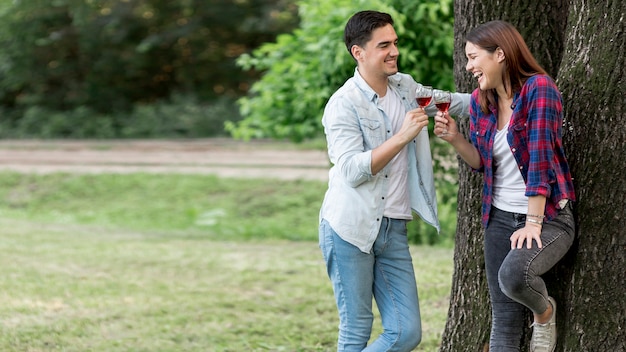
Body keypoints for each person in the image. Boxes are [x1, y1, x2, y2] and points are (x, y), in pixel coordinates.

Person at [318, 10, 469, 351]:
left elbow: (451, 103)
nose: (394, 51)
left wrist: (499, 93)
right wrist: (402, 136)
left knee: (406, 332)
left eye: (395, 43)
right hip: (350, 227)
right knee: (356, 329)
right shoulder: (343, 104)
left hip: (393, 229)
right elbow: (352, 171)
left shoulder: (405, 88)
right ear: (359, 52)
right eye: (383, 45)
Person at [434, 20, 576, 352]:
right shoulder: (479, 102)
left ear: (499, 53)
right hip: (498, 218)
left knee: (514, 277)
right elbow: (482, 163)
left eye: (473, 57)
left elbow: (540, 161)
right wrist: (455, 138)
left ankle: (545, 312)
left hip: (549, 217)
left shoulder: (539, 89)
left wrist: (532, 222)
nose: (468, 66)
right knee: (504, 318)